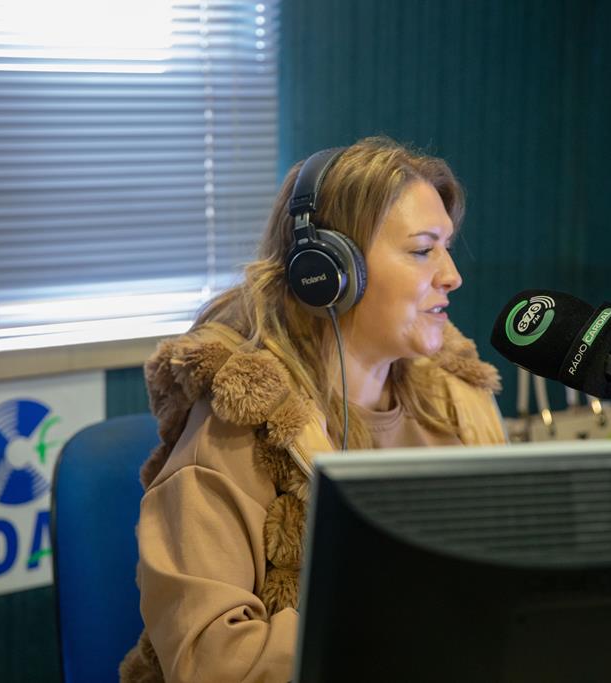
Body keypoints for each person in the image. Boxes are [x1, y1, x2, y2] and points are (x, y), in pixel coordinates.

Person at [119, 137, 507, 682]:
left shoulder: (457, 403)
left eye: (446, 247)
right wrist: (403, 626)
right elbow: (213, 662)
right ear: (327, 271)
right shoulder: (235, 435)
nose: (451, 275)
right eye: (423, 250)